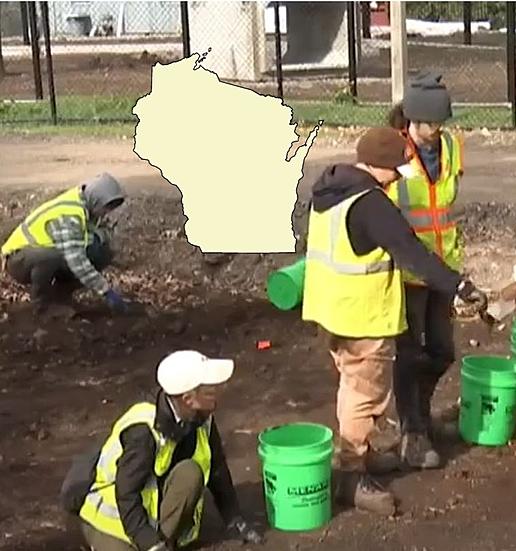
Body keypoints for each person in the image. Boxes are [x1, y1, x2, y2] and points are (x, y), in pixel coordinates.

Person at [301, 127, 487, 516]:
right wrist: (459, 285)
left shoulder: (328, 190)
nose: (398, 176)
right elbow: (411, 253)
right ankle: (351, 478)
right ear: (379, 165)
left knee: (350, 389)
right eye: (396, 169)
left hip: (330, 311)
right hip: (362, 317)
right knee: (365, 396)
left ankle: (359, 455)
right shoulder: (371, 204)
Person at [63, 350, 261, 551]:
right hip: (112, 523)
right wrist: (151, 544)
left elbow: (217, 468)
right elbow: (126, 495)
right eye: (210, 392)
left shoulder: (201, 418)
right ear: (188, 399)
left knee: (190, 473)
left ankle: (163, 542)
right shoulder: (143, 432)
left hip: (149, 513)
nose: (218, 395)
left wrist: (233, 518)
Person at [385, 72, 466, 470]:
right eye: (427, 124)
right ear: (411, 120)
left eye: (440, 124)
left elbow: (446, 205)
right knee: (409, 353)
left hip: (443, 269)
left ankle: (420, 410)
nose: (435, 132)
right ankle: (412, 433)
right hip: (407, 273)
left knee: (442, 351)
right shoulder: (393, 153)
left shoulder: (452, 147)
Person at [1, 173, 130, 317]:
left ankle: (61, 298)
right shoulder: (70, 215)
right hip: (17, 259)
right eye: (105, 208)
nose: (106, 213)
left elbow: (95, 238)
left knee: (101, 253)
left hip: (39, 255)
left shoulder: (84, 205)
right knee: (51, 256)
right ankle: (43, 306)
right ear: (96, 200)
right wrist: (106, 291)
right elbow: (76, 261)